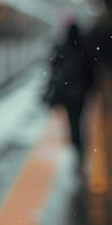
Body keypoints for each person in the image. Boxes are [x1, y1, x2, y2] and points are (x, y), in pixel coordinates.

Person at [44, 23, 94, 162]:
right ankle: (79, 145)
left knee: (73, 119)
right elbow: (91, 71)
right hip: (81, 93)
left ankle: (75, 143)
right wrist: (89, 87)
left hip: (67, 93)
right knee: (80, 118)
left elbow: (52, 65)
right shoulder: (84, 49)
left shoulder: (62, 48)